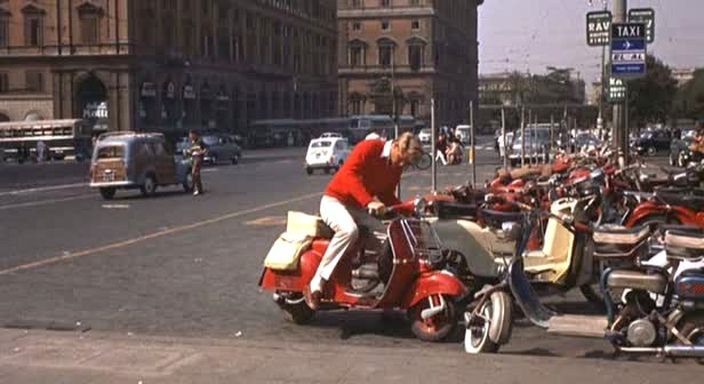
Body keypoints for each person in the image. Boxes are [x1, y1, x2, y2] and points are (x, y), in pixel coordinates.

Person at [306, 132, 423, 310]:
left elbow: (386, 194)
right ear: (397, 145)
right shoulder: (369, 148)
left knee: (392, 240)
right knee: (349, 230)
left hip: (358, 208)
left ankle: (387, 294)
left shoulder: (395, 166)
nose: (401, 165)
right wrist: (368, 201)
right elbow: (349, 176)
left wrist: (407, 209)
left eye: (406, 164)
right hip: (334, 201)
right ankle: (317, 282)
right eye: (402, 159)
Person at [188, 130, 207, 196]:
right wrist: (188, 152)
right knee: (196, 174)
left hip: (198, 158)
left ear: (195, 135)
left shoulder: (200, 141)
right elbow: (191, 151)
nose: (190, 136)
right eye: (189, 135)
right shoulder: (192, 143)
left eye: (191, 135)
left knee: (194, 172)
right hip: (193, 158)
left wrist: (201, 152)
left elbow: (205, 149)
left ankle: (197, 189)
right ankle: (199, 189)